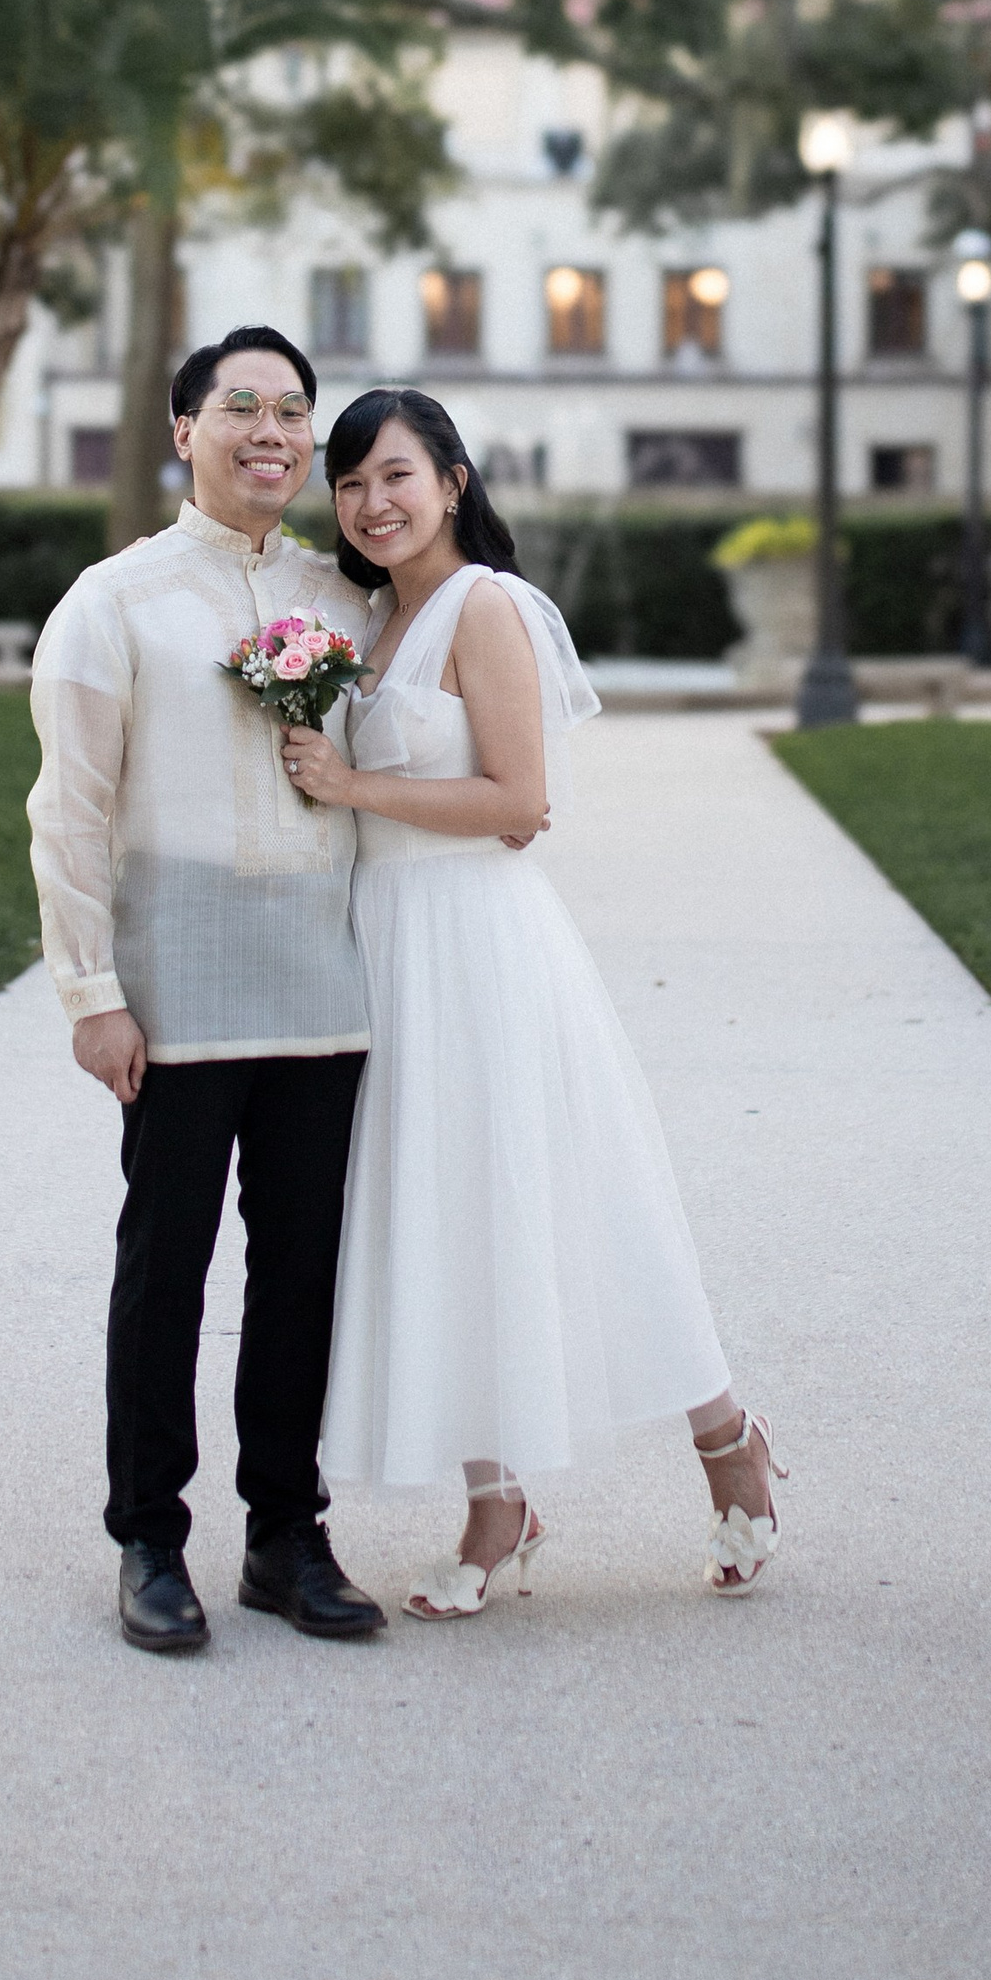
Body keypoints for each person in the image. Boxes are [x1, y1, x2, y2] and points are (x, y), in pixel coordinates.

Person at [282, 387, 786, 1614]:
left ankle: (730, 1443)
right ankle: (496, 1507)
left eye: (396, 474)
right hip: (384, 950)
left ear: (453, 479)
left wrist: (350, 784)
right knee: (445, 1214)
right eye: (349, 484)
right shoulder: (364, 616)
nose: (372, 502)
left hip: (476, 942)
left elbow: (518, 805)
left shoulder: (485, 605)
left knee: (575, 1199)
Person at [26, 326, 389, 1656]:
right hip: (176, 989)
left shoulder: (348, 601)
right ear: (184, 432)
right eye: (239, 406)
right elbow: (67, 813)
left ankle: (287, 1535)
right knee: (166, 1264)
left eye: (293, 410)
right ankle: (149, 1538)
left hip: (322, 989)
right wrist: (90, 993)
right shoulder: (114, 602)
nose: (271, 431)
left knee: (302, 1269)